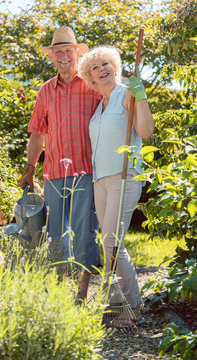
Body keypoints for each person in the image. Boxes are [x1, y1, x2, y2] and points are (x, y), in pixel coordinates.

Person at [20, 27, 102, 300]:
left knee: (83, 232)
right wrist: (30, 168)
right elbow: (37, 132)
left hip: (86, 171)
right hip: (53, 173)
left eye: (68, 51)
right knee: (55, 236)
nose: (64, 56)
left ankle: (81, 295)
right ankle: (57, 294)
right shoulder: (45, 91)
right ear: (52, 57)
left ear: (78, 53)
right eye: (58, 52)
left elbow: (113, 115)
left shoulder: (93, 85)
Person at [78, 45, 154, 321]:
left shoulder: (126, 95)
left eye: (106, 64)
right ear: (91, 77)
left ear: (115, 68)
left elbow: (145, 131)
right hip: (102, 180)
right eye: (96, 67)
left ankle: (133, 308)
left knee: (113, 243)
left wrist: (141, 96)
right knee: (107, 242)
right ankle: (114, 302)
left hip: (124, 176)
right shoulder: (100, 105)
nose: (102, 69)